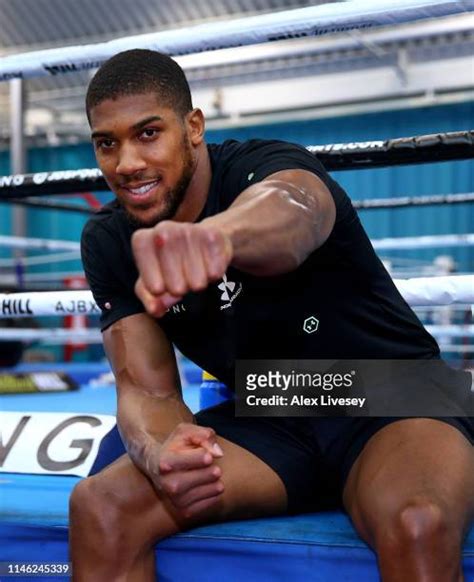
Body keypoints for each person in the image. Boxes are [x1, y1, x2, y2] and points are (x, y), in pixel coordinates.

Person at [72, 48, 474, 581]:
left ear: (193, 127)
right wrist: (161, 449)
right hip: (273, 405)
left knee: (416, 522)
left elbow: (294, 212)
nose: (127, 164)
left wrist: (215, 239)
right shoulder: (110, 240)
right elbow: (147, 391)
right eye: (107, 143)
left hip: (391, 397)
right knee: (101, 506)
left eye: (148, 133)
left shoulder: (266, 165)